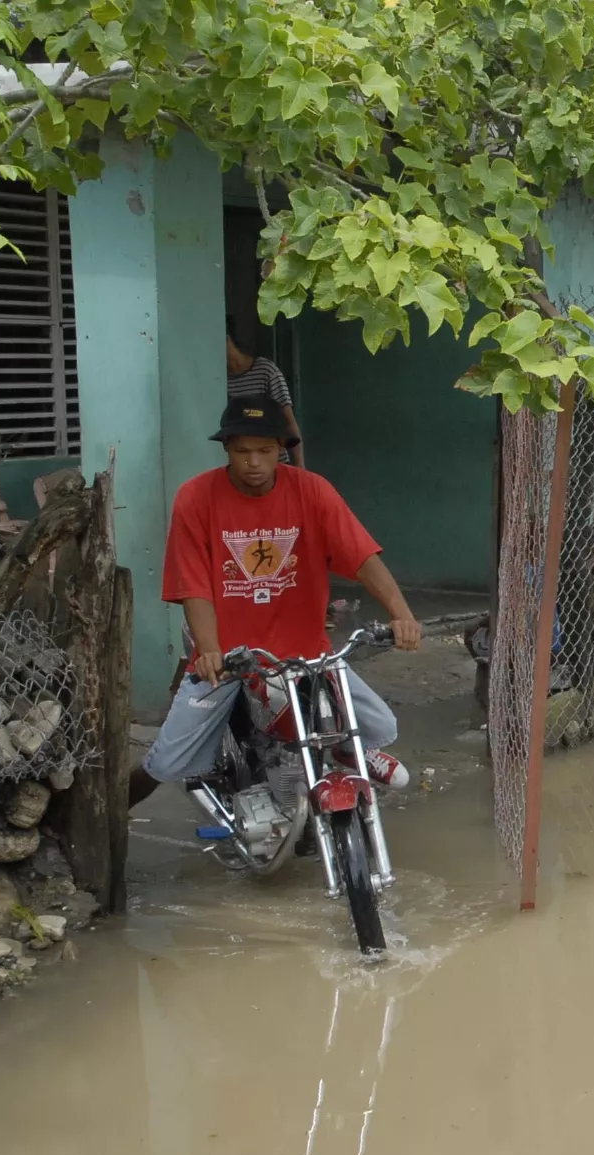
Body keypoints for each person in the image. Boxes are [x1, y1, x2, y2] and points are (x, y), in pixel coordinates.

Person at [139, 399, 422, 842]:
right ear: (227, 448)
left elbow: (362, 557)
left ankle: (345, 753)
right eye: (242, 451)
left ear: (281, 450)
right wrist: (210, 650)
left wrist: (401, 615)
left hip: (306, 653)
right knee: (167, 763)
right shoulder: (195, 497)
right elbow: (194, 585)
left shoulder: (312, 491)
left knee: (381, 727)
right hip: (231, 656)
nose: (254, 462)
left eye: (265, 451)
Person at [227, 320, 303, 454]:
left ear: (227, 341)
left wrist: (299, 464)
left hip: (272, 457)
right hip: (241, 458)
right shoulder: (218, 379)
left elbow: (289, 421)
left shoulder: (265, 371)